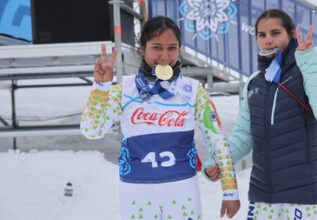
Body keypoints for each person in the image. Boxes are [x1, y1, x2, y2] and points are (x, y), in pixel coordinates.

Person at [80, 16, 240, 220]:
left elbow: (218, 141)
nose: (165, 56)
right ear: (142, 48)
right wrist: (101, 87)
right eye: (157, 47)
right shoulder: (123, 90)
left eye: (172, 47)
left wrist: (230, 191)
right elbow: (91, 131)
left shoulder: (193, 90)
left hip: (182, 191)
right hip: (137, 193)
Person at [204, 9, 317, 220]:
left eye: (275, 33)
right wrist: (218, 160)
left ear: (289, 35)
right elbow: (244, 135)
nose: (268, 40)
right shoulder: (254, 83)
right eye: (262, 35)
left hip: (305, 193)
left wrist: (310, 61)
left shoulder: (307, 71)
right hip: (264, 193)